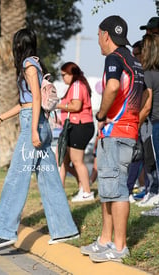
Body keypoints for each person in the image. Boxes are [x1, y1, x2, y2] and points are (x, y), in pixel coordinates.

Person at [0, 28, 79, 250]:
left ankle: (5, 233)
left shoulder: (28, 65)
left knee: (16, 178)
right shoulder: (35, 64)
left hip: (33, 126)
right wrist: (0, 118)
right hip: (38, 122)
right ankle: (65, 230)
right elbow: (26, 102)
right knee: (49, 179)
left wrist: (34, 131)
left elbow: (36, 98)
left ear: (18, 45)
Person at [80, 15, 144, 263]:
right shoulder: (133, 60)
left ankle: (119, 247)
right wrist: (135, 119)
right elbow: (145, 95)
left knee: (117, 192)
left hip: (117, 133)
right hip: (126, 131)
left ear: (106, 35)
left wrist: (102, 113)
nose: (98, 41)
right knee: (109, 190)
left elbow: (113, 87)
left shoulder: (114, 58)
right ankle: (105, 240)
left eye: (98, 36)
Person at [56, 62, 95, 202]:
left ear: (71, 74)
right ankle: (80, 187)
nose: (62, 78)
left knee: (77, 161)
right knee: (62, 160)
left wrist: (56, 104)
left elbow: (76, 106)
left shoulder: (77, 85)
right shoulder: (74, 86)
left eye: (64, 75)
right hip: (73, 126)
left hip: (80, 125)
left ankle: (86, 191)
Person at [137, 33, 159, 208]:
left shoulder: (148, 74)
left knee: (155, 163)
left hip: (156, 122)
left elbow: (146, 106)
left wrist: (134, 125)